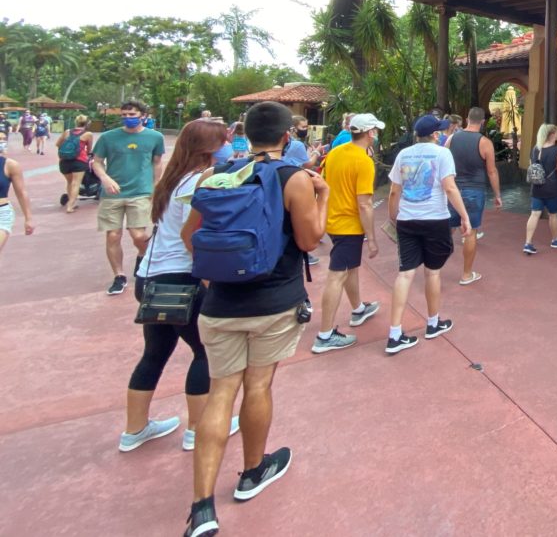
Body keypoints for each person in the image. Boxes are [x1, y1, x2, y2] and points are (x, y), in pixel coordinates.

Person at [180, 101, 328, 537]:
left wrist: (215, 275)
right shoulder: (294, 177)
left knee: (221, 391)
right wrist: (324, 197)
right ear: (288, 137)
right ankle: (251, 471)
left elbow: (191, 235)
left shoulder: (217, 176)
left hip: (222, 302)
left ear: (244, 135)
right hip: (274, 300)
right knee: (258, 385)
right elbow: (309, 239)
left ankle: (202, 506)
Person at [120, 119, 239, 453]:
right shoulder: (204, 177)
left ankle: (135, 429)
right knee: (205, 352)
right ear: (208, 147)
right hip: (180, 278)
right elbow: (193, 235)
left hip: (149, 277)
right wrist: (208, 275)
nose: (228, 143)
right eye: (223, 139)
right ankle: (198, 429)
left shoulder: (171, 179)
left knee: (155, 353)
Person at [384, 114, 472, 355]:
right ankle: (433, 323)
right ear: (435, 134)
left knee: (405, 274)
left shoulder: (403, 154)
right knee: (433, 273)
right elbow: (450, 187)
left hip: (407, 220)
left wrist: (393, 215)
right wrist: (464, 216)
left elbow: (394, 190)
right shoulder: (442, 153)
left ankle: (394, 334)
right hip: (435, 219)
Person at [312, 114, 382, 354]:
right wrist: (371, 238)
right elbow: (365, 203)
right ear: (370, 133)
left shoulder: (335, 152)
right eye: (375, 130)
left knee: (350, 267)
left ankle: (358, 308)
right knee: (337, 276)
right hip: (348, 225)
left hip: (333, 221)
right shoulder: (363, 161)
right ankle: (324, 335)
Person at [92, 100, 165, 296]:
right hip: (112, 194)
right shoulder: (108, 138)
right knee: (113, 235)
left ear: (142, 115)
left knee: (139, 236)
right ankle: (119, 276)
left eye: (132, 115)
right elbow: (96, 162)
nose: (127, 118)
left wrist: (155, 186)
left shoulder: (155, 137)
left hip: (140, 192)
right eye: (124, 115)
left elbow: (157, 162)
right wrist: (105, 178)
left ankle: (143, 256)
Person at [445, 106, 503, 285]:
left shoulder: (452, 138)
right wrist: (497, 194)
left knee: (446, 227)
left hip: (453, 190)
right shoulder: (484, 142)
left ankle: (434, 267)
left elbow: (444, 162)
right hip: (474, 191)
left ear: (467, 118)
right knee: (470, 231)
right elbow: (491, 171)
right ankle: (466, 274)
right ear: (483, 122)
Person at [524, 123, 557, 254]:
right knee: (553, 215)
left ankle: (528, 242)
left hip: (537, 186)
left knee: (534, 214)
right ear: (552, 135)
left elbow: (531, 165)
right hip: (552, 187)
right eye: (556, 134)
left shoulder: (535, 149)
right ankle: (555, 240)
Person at [0, 135, 36, 256]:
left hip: (2, 214)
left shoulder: (10, 165)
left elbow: (21, 192)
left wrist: (28, 218)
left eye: (3, 139)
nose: (2, 142)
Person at [56, 114, 94, 213]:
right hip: (79, 161)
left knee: (69, 182)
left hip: (64, 161)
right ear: (87, 123)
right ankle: (70, 206)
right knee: (76, 183)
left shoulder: (67, 132)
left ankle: (70, 201)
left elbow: (58, 144)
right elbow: (89, 149)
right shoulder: (88, 134)